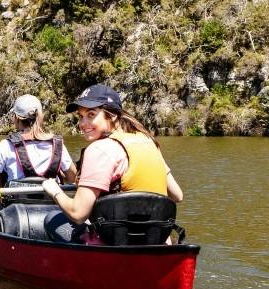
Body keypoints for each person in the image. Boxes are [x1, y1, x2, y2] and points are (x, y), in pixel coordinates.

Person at [41, 83, 183, 227]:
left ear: (113, 115)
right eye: (81, 116)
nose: (83, 123)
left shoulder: (99, 150)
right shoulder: (148, 141)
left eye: (91, 115)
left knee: (52, 220)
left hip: (116, 241)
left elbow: (77, 214)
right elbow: (177, 195)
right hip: (157, 238)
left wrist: (55, 191)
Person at [0, 94, 77, 186]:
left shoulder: (6, 146)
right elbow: (72, 178)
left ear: (16, 118)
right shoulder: (58, 145)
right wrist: (54, 172)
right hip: (50, 208)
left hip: (17, 211)